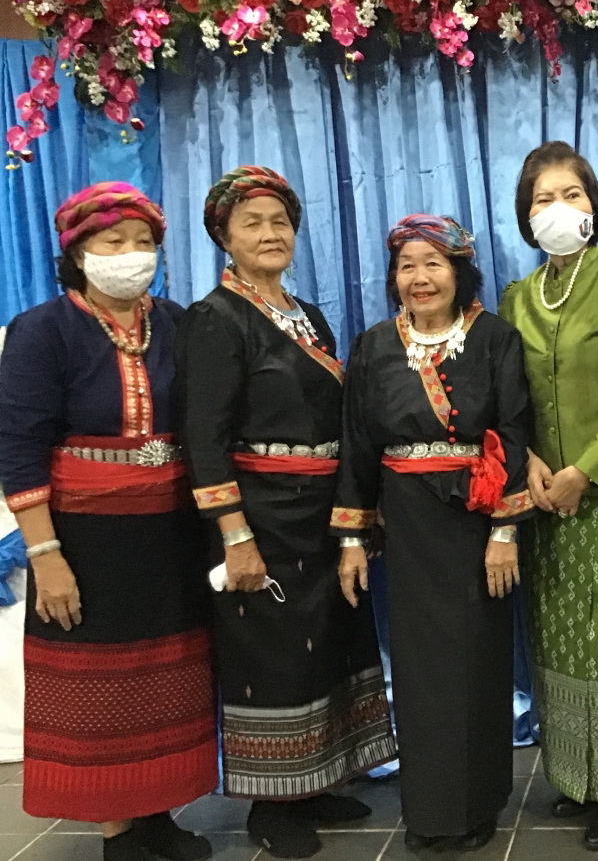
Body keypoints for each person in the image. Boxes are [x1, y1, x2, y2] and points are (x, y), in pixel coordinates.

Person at [176, 166, 396, 859]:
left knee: (327, 647)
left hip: (321, 512)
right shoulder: (215, 319)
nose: (270, 234)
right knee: (271, 658)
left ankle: (319, 781)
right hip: (261, 517)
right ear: (224, 235)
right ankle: (273, 806)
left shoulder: (307, 315)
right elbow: (203, 439)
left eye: (280, 222)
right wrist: (234, 536)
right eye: (253, 223)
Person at [0, 183, 216, 861]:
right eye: (113, 242)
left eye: (143, 242)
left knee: (167, 675)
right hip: (86, 540)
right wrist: (46, 556)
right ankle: (117, 830)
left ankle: (158, 815)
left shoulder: (176, 323)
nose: (131, 254)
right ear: (77, 253)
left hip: (170, 532)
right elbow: (19, 446)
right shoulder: (43, 330)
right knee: (100, 684)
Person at [332, 214, 533, 852]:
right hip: (408, 521)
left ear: (459, 271)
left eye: (433, 263)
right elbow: (357, 445)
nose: (420, 278)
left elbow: (514, 430)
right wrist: (352, 538)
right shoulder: (372, 346)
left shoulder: (495, 338)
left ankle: (477, 805)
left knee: (477, 661)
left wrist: (504, 530)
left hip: (475, 521)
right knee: (421, 671)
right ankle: (430, 811)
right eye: (407, 266)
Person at [499, 142, 598, 851]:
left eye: (571, 194)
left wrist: (583, 472)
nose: (558, 208)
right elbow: (511, 401)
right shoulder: (517, 296)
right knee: (558, 637)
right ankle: (575, 777)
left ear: (594, 205)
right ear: (525, 214)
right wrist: (533, 463)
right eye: (543, 198)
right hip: (543, 498)